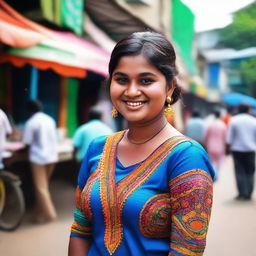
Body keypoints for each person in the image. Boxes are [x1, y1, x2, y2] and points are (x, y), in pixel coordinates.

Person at [68, 31, 215, 256]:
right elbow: (80, 228)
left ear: (169, 87)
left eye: (146, 80)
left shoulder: (186, 156)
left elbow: (187, 250)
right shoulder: (97, 148)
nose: (132, 91)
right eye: (122, 80)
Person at [22, 100, 58, 223]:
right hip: (52, 157)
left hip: (38, 158)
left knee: (40, 188)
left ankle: (49, 214)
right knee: (44, 187)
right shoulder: (49, 119)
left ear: (29, 111)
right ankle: (39, 211)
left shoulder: (31, 122)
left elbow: (27, 143)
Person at [226, 103, 256, 201]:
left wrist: (227, 149)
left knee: (239, 172)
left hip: (237, 150)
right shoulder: (254, 121)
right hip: (250, 150)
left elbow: (229, 138)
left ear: (238, 110)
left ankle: (241, 193)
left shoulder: (234, 120)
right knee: (250, 172)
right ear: (248, 110)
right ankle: (249, 193)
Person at [204, 110, 227, 176]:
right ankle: (217, 175)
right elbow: (225, 138)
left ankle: (212, 174)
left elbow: (206, 136)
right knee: (219, 162)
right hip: (220, 146)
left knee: (211, 161)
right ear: (220, 116)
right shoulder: (223, 125)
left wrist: (205, 143)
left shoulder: (211, 124)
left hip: (210, 146)